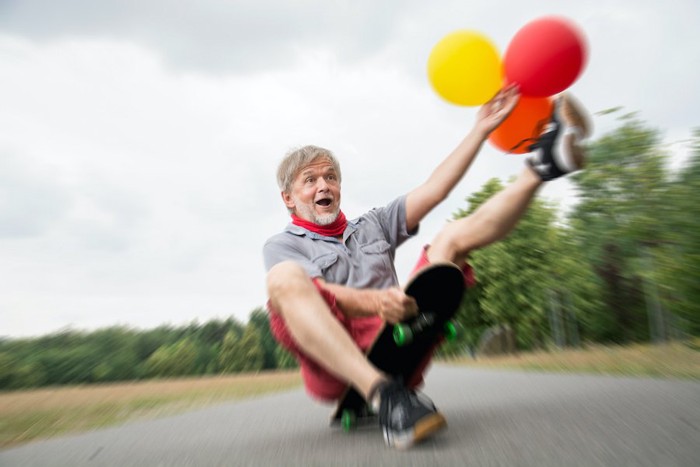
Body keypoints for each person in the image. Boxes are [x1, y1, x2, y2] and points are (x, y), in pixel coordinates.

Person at [263, 86, 591, 449]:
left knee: (451, 238)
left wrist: (480, 130)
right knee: (283, 277)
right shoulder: (283, 245)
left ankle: (545, 164)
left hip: (398, 335)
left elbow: (435, 190)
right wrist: (374, 303)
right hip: (334, 367)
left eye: (330, 177)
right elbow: (311, 293)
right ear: (289, 199)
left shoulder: (373, 224)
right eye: (310, 180)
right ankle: (382, 393)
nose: (324, 185)